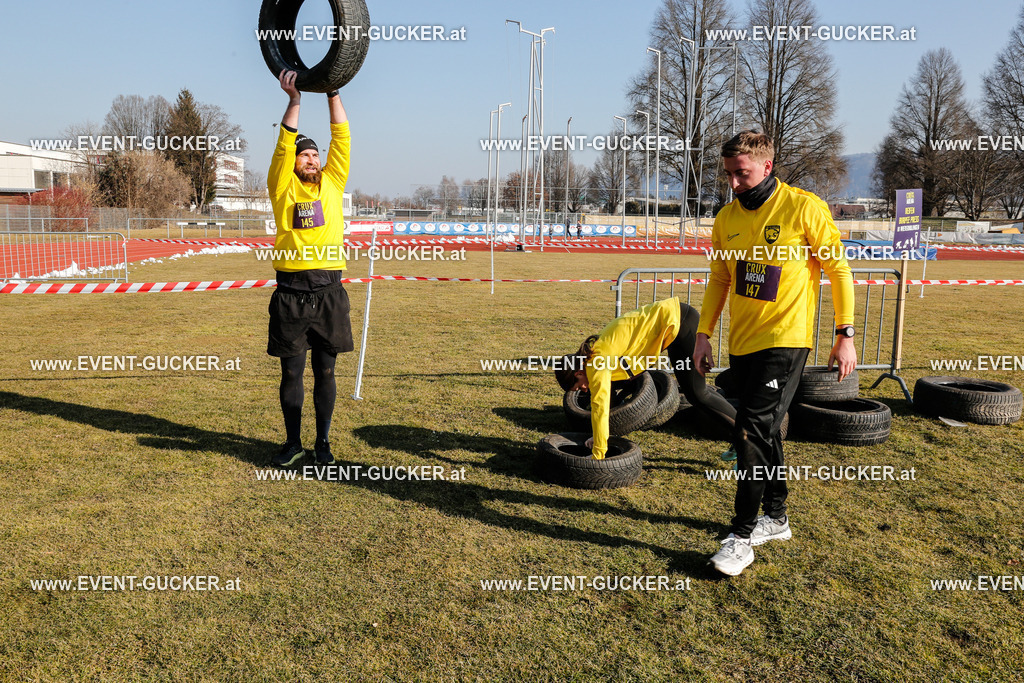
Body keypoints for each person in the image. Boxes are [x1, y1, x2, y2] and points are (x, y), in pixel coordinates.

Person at [693, 130, 856, 576]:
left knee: (748, 432)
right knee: (767, 433)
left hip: (786, 341)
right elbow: (721, 279)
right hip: (742, 342)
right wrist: (703, 333)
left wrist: (846, 332)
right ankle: (777, 517)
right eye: (727, 174)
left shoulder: (804, 207)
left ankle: (742, 538)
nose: (733, 183)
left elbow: (837, 270)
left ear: (767, 166)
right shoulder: (726, 218)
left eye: (741, 174)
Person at [266, 69, 353, 467]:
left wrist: (332, 88)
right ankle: (292, 443)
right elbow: (283, 146)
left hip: (330, 290)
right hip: (291, 293)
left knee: (327, 373)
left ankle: (323, 444)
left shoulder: (333, 183)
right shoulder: (282, 185)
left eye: (315, 154)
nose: (313, 159)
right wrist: (296, 100)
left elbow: (343, 140)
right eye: (306, 154)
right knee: (291, 374)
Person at [555, 297, 736, 461]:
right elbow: (606, 396)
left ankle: (751, 439)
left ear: (578, 373)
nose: (584, 390)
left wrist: (598, 452)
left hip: (680, 321)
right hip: (675, 325)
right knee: (694, 392)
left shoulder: (597, 362)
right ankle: (741, 439)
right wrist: (598, 435)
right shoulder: (596, 354)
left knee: (698, 393)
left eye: (579, 387)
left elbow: (599, 407)